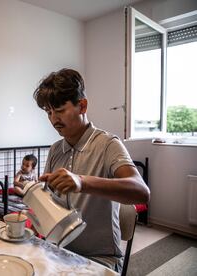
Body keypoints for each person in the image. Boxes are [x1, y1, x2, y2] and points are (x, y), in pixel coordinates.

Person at [33, 68, 150, 271]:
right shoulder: (55, 150)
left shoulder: (107, 144)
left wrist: (82, 182)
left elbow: (141, 192)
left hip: (100, 258)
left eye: (59, 110)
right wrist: (33, 198)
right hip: (58, 251)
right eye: (49, 112)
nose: (53, 119)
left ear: (82, 106)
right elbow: (50, 202)